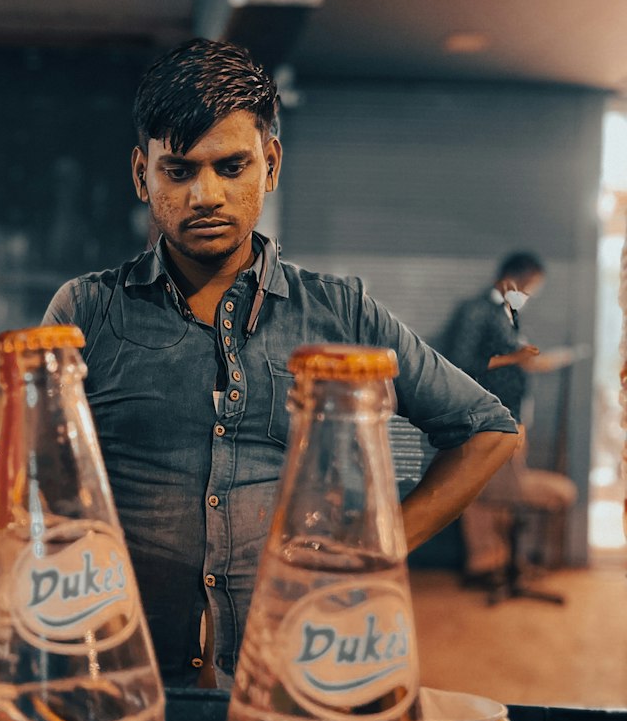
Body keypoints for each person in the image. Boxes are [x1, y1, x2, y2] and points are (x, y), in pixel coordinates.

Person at [39, 39, 519, 687]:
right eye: (178, 170)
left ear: (270, 164)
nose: (205, 194)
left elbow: (487, 429)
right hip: (123, 678)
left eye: (230, 166)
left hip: (294, 677)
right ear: (140, 174)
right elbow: (38, 484)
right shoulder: (86, 312)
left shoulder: (341, 313)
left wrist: (378, 549)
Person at [439, 252, 578, 587]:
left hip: (511, 418)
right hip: (486, 419)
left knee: (498, 494)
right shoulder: (475, 311)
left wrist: (527, 362)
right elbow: (460, 363)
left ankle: (498, 564)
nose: (528, 294)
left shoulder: (507, 315)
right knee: (488, 493)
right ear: (512, 278)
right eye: (529, 286)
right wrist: (515, 358)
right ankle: (484, 565)